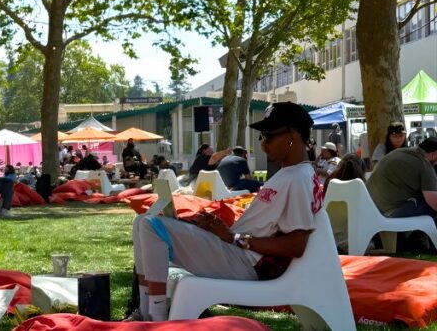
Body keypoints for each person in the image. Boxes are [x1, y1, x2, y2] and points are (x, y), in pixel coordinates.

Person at [129, 102, 321, 322]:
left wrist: (236, 238)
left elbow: (296, 245)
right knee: (141, 222)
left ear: (293, 136)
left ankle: (156, 316)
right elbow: (264, 227)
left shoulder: (299, 178)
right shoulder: (290, 174)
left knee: (150, 226)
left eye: (268, 136)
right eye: (261, 137)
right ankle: (145, 312)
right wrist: (220, 228)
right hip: (237, 252)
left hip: (247, 264)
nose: (263, 144)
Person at [367, 136, 437, 223]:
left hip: (371, 207)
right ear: (434, 154)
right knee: (430, 207)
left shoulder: (402, 152)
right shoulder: (424, 164)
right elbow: (433, 200)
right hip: (388, 213)